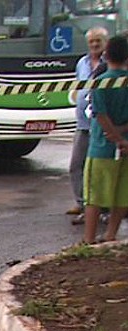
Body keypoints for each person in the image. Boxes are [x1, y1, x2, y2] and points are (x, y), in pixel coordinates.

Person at [82, 34, 128, 244]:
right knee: (121, 193)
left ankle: (89, 240)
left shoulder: (101, 81)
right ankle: (111, 235)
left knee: (93, 195)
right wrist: (123, 136)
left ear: (106, 55)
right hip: (126, 148)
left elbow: (99, 114)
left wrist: (115, 137)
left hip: (101, 147)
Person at [67, 27, 108, 224]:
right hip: (82, 123)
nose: (94, 45)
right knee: (76, 164)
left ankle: (102, 207)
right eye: (91, 41)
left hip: (102, 124)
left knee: (98, 168)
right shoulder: (81, 63)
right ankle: (81, 202)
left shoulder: (110, 64)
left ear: (105, 42)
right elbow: (78, 86)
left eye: (98, 41)